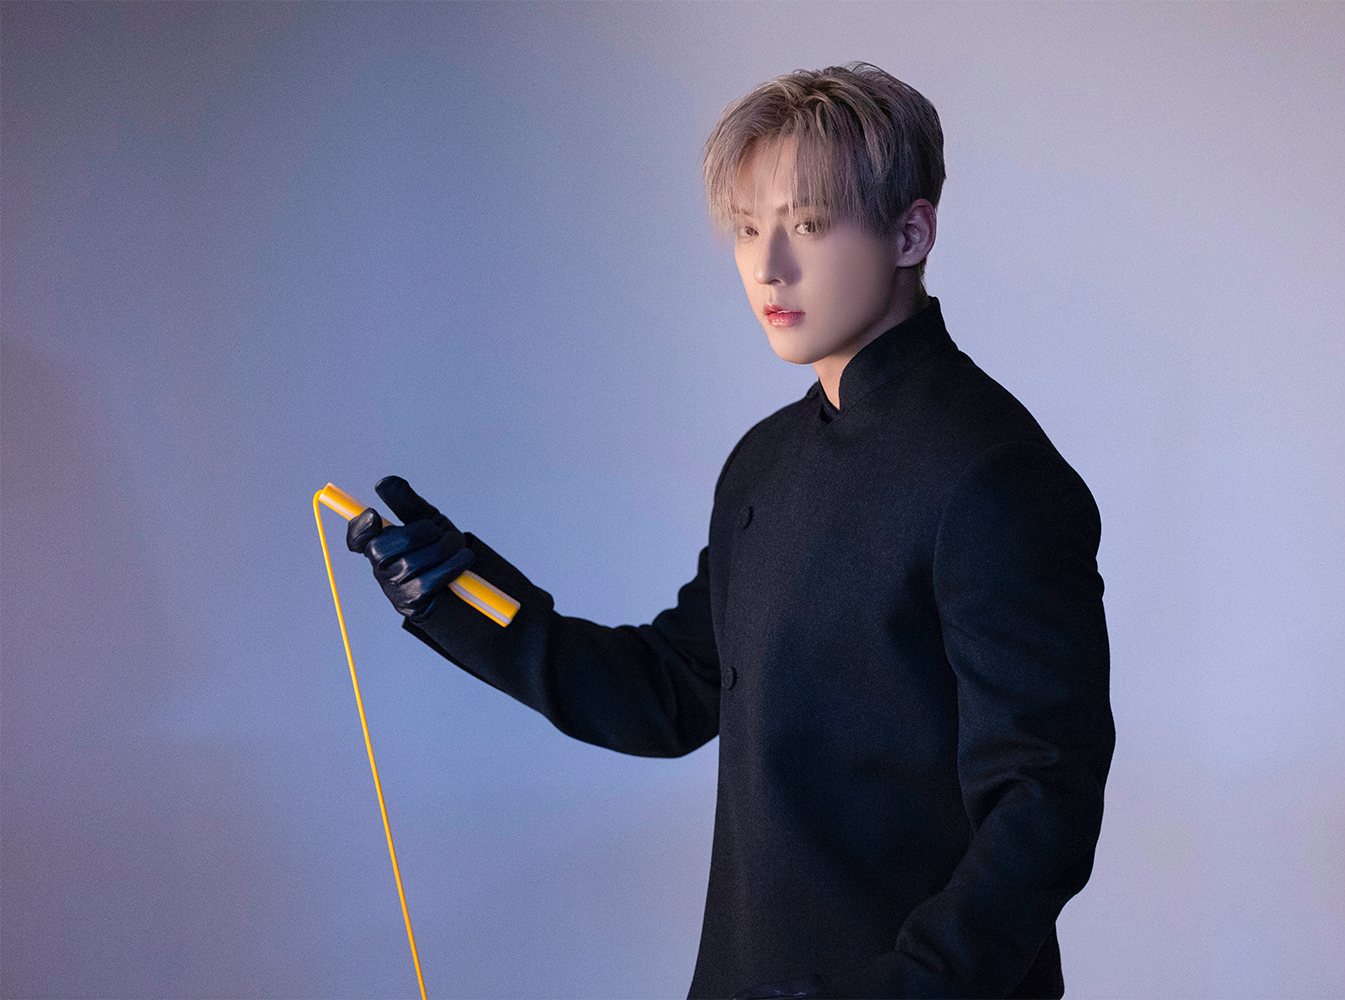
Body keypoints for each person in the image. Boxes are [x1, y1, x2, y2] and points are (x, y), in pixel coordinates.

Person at [348, 62, 1113, 1000]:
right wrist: (461, 596)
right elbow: (672, 691)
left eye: (809, 224)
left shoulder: (993, 473)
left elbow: (1043, 806)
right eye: (749, 228)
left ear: (911, 233)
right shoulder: (764, 460)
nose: (768, 266)